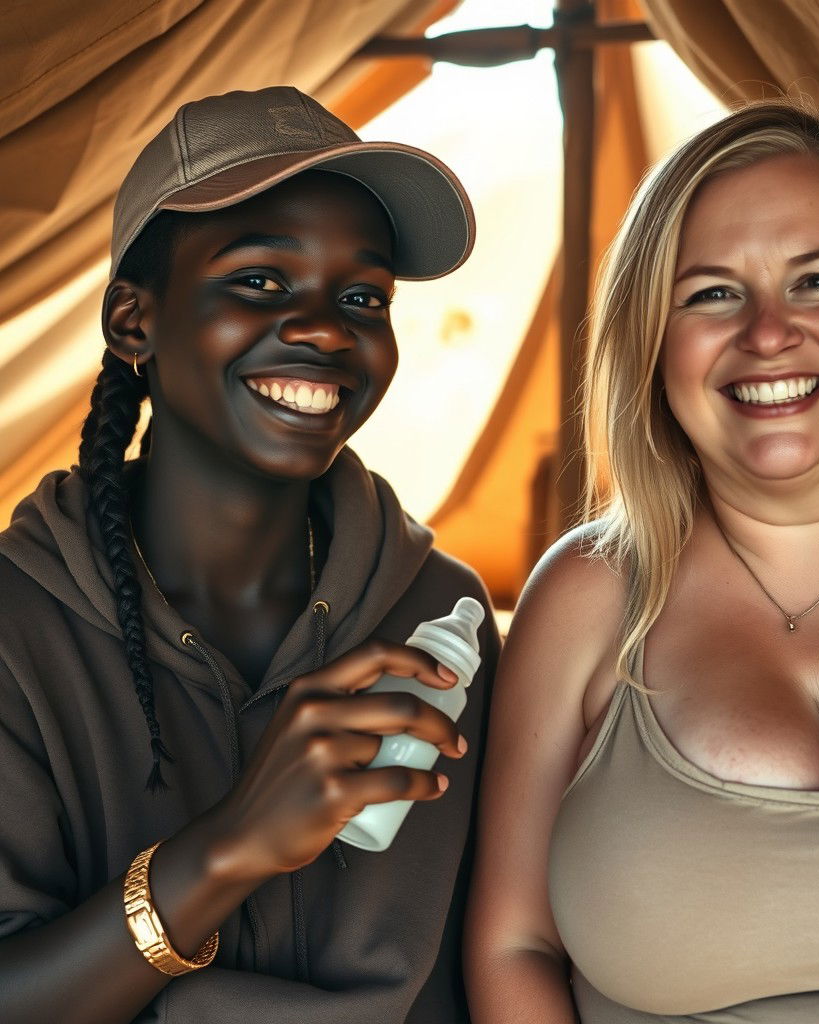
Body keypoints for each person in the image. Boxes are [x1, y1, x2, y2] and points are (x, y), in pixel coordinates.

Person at [465, 99, 819, 1023]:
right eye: (712, 293)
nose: (768, 334)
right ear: (652, 341)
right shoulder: (588, 596)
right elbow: (510, 947)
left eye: (818, 281)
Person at [0, 86, 499, 1024]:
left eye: (363, 296)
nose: (324, 328)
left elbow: (494, 962)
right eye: (261, 280)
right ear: (132, 323)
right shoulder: (15, 628)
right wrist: (226, 850)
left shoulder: (438, 613)